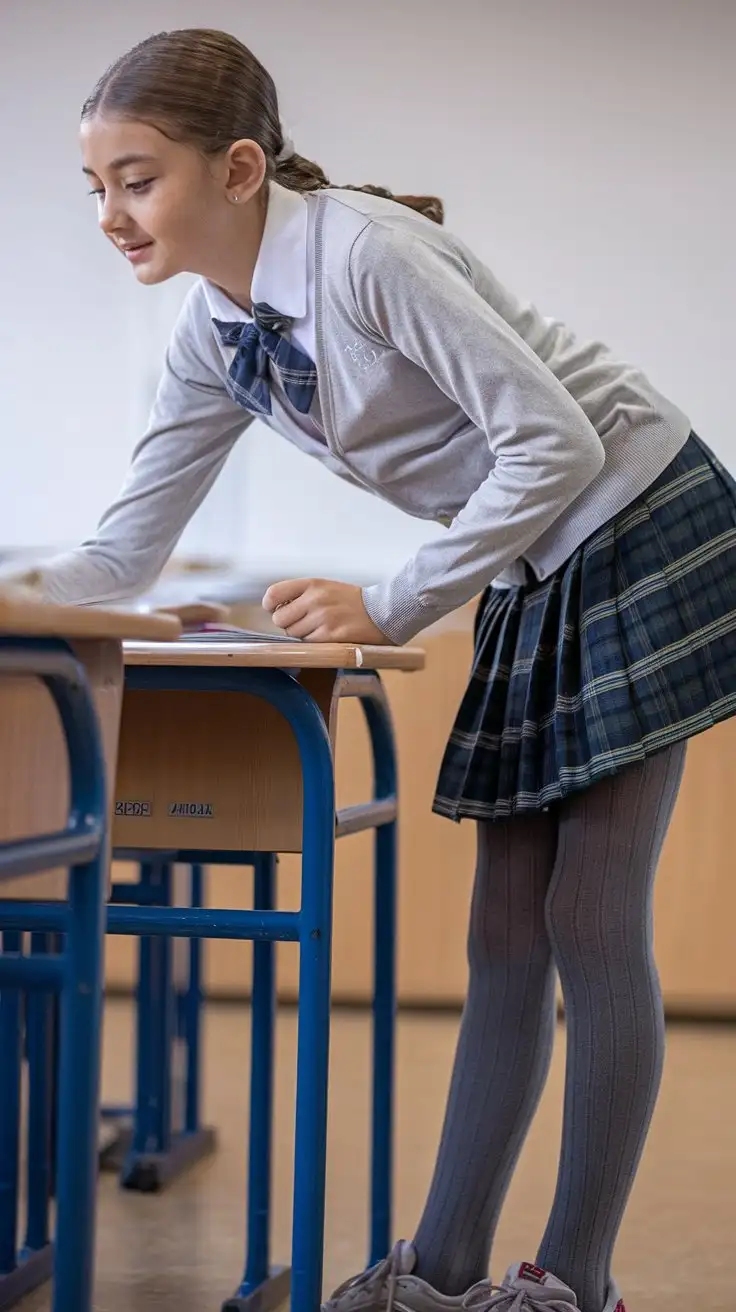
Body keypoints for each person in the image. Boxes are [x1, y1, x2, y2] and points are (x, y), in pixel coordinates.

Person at [11, 26, 736, 1312]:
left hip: (636, 517)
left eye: (138, 178)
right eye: (98, 188)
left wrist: (389, 593)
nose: (114, 215)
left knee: (586, 915)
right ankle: (441, 1276)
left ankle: (574, 1282)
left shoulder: (363, 252)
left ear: (239, 168)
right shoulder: (213, 329)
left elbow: (555, 442)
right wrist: (17, 596)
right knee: (504, 925)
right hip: (532, 558)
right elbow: (123, 557)